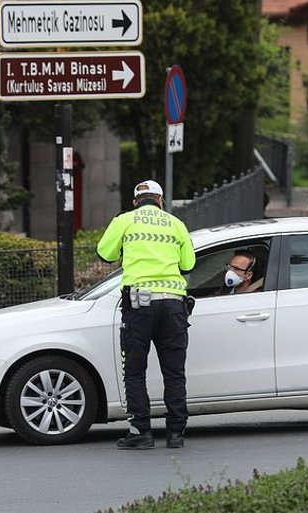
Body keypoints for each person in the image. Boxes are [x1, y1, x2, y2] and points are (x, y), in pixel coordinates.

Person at [97, 180, 195, 449]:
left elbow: (104, 253)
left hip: (139, 306)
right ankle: (176, 434)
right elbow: (188, 264)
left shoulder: (124, 221)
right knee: (174, 372)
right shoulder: (176, 224)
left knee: (135, 372)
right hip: (174, 305)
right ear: (161, 201)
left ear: (135, 202)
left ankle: (141, 432)